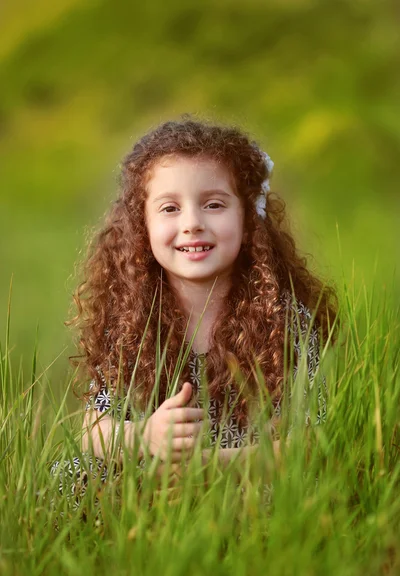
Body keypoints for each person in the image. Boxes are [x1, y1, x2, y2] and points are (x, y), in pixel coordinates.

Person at [50, 117, 339, 509]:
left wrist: (209, 465)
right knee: (77, 478)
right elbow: (91, 428)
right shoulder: (133, 318)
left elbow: (312, 440)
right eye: (170, 208)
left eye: (214, 204)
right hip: (155, 471)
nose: (192, 224)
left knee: (296, 494)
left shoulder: (284, 319)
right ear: (142, 225)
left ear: (247, 218)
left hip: (246, 471)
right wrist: (145, 437)